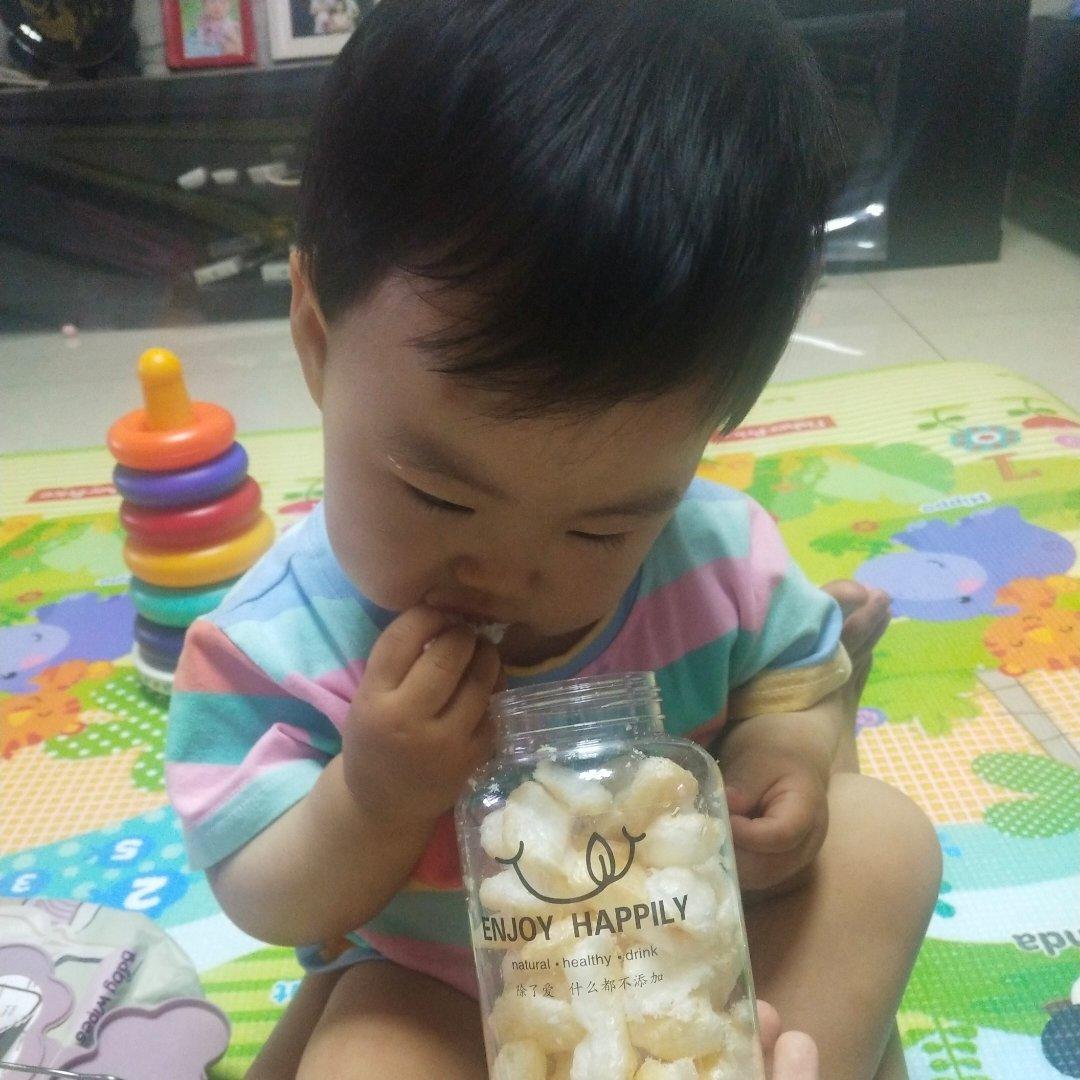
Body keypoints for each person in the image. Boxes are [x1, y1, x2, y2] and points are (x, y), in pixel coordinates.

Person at [164, 1, 942, 1076]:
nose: (511, 572)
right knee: (362, 1054)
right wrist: (376, 795)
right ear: (316, 338)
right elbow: (264, 894)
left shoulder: (717, 558)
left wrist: (784, 760)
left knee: (882, 842)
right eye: (440, 496)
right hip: (438, 991)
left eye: (600, 527)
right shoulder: (274, 644)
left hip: (691, 965)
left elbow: (798, 682)